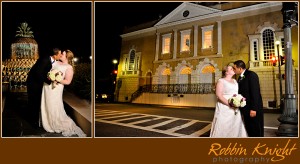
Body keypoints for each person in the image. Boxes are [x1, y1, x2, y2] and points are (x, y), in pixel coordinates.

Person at [40, 49, 86, 137]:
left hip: (56, 88)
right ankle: (47, 123)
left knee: (53, 104)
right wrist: (49, 76)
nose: (60, 55)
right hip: (47, 87)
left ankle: (56, 123)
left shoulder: (69, 67)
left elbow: (68, 81)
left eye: (63, 54)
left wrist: (57, 79)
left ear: (67, 57)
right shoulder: (55, 63)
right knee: (46, 104)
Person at [26, 48, 62, 128]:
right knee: (34, 102)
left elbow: (44, 72)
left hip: (38, 82)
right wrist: (50, 80)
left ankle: (35, 119)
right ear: (55, 55)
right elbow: (38, 73)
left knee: (36, 101)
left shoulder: (51, 60)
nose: (61, 55)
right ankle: (33, 122)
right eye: (59, 54)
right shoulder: (45, 60)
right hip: (34, 83)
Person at [210, 63, 248, 137]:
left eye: (233, 68)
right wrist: (230, 104)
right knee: (224, 125)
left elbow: (236, 93)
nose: (233, 69)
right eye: (231, 69)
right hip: (224, 107)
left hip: (235, 106)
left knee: (235, 124)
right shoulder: (221, 81)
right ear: (226, 72)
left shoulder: (235, 81)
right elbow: (219, 95)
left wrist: (239, 101)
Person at [233, 60, 264, 137]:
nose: (234, 70)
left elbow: (255, 93)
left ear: (240, 68)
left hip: (252, 109)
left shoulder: (251, 75)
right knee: (249, 128)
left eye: (234, 68)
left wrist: (253, 109)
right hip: (246, 109)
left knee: (255, 129)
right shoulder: (239, 78)